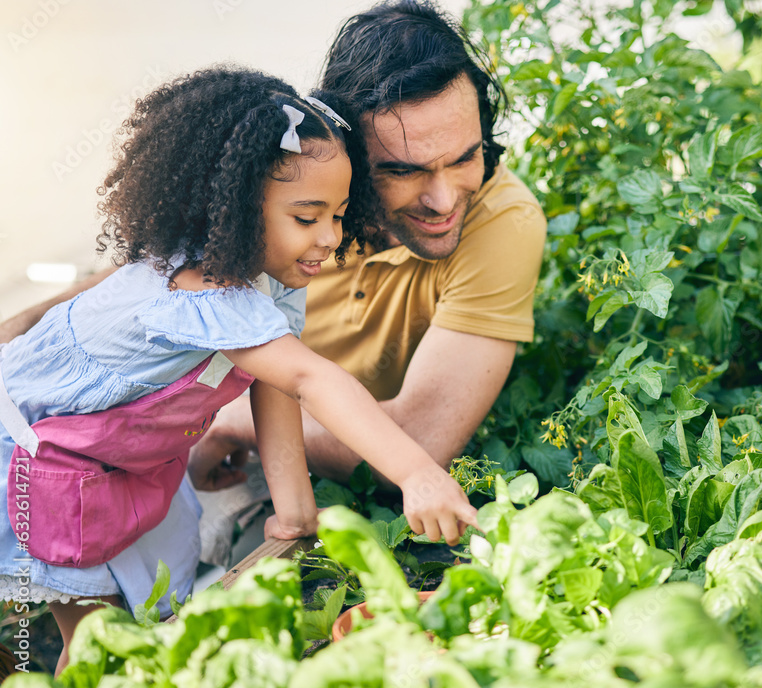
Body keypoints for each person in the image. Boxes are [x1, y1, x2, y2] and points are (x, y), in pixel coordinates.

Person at [0, 66, 476, 674]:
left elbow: (275, 380)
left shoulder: (269, 280)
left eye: (339, 213)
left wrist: (296, 511)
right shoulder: (198, 295)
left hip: (122, 454)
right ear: (230, 210)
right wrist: (419, 475)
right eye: (307, 218)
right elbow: (310, 378)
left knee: (151, 611)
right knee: (99, 644)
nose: (330, 237)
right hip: (46, 461)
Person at [187, 0, 548, 490]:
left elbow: (413, 445)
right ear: (345, 153)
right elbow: (168, 268)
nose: (443, 202)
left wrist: (229, 420)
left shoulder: (504, 219)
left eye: (466, 157)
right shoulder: (291, 179)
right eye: (404, 170)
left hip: (243, 442)